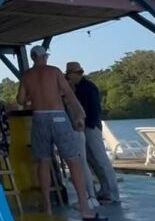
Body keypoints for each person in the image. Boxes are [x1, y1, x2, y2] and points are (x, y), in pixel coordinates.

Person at [17, 46, 104, 220]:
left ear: (33, 58)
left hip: (38, 117)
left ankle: (47, 206)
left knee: (43, 162)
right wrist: (80, 113)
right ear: (44, 57)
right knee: (73, 160)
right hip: (58, 116)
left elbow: (20, 100)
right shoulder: (54, 71)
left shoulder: (26, 75)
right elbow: (69, 94)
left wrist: (32, 98)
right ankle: (84, 208)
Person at [65, 62, 120, 204]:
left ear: (76, 74)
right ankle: (104, 190)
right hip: (83, 127)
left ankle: (112, 193)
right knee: (91, 160)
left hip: (91, 127)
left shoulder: (88, 87)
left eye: (69, 74)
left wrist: (89, 125)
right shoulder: (75, 88)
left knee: (100, 159)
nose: (68, 77)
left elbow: (95, 109)